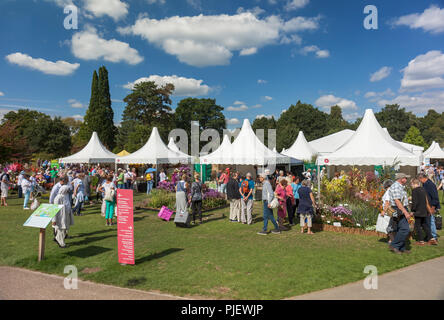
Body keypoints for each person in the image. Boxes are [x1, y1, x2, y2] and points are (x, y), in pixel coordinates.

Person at [388, 173, 412, 254]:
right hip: (398, 209)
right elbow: (397, 201)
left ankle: (401, 248)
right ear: (401, 179)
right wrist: (405, 212)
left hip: (400, 208)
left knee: (400, 229)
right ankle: (394, 245)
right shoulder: (396, 187)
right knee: (405, 229)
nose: (406, 179)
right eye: (406, 178)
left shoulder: (400, 187)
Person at [410, 179, 437, 246]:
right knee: (425, 225)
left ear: (413, 183)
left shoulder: (414, 191)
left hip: (418, 211)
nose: (411, 186)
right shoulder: (423, 189)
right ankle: (432, 239)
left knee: (418, 226)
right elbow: (426, 200)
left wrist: (412, 210)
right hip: (424, 210)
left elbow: (415, 202)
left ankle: (421, 241)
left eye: (411, 184)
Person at [418, 173, 440, 242]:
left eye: (419, 180)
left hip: (431, 206)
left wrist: (433, 207)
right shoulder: (425, 184)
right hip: (427, 206)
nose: (419, 181)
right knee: (427, 221)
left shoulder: (430, 184)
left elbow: (435, 197)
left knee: (431, 221)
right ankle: (429, 236)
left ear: (422, 178)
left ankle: (433, 236)